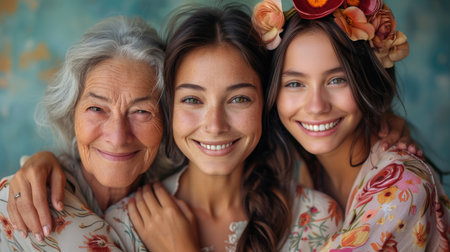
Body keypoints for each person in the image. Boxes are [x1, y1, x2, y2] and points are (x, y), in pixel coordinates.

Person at [253, 0, 450, 250]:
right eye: (294, 83)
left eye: (337, 80)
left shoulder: (403, 187)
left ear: (366, 82)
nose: (316, 106)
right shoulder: (305, 168)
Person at [0, 16, 168, 251]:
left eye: (141, 111)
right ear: (71, 114)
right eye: (97, 109)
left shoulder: (181, 206)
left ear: (167, 119)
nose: (118, 137)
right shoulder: (19, 199)